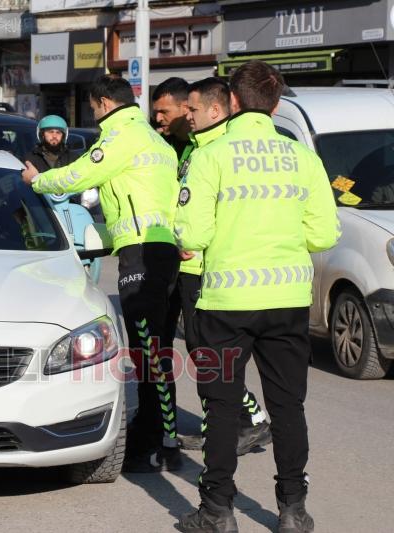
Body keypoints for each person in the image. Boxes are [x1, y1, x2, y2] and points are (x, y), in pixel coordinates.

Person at [175, 60, 340, 532]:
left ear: (232, 101)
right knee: (288, 407)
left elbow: (192, 232)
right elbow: (325, 232)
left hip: (225, 304)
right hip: (287, 300)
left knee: (223, 408)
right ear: (277, 103)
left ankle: (217, 511)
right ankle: (293, 509)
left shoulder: (212, 155)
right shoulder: (302, 158)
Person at [22, 75, 182, 473]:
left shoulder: (122, 138)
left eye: (92, 109)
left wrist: (37, 181)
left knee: (148, 353)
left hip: (142, 254)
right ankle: (161, 435)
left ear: (105, 103)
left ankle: (157, 443)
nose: (93, 116)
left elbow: (78, 176)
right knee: (155, 350)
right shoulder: (156, 141)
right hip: (161, 250)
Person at [169, 78, 272, 455]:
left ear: (216, 110)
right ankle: (227, 425)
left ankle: (251, 419)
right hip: (191, 266)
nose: (186, 115)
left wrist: (186, 240)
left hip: (205, 270)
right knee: (203, 354)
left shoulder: (217, 150)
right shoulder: (197, 148)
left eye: (192, 109)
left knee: (210, 355)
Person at [152, 77, 191, 159]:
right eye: (156, 113)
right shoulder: (159, 143)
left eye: (164, 112)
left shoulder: (205, 144)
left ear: (186, 108)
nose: (158, 119)